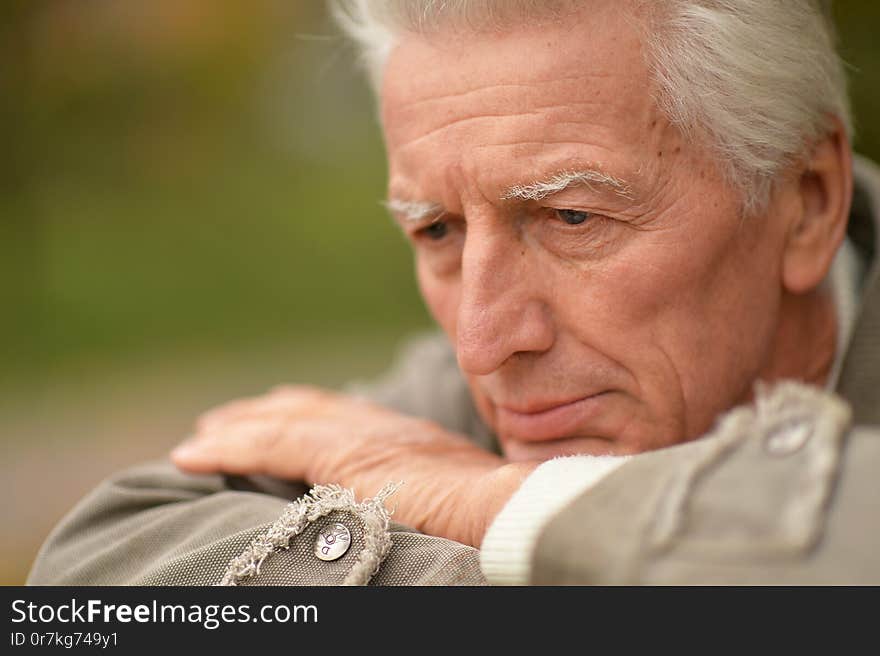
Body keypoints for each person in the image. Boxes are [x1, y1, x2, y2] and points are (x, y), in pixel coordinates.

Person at [28, 0, 880, 585]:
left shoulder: (452, 458)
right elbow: (91, 579)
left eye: (573, 217)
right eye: (437, 230)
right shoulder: (513, 401)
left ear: (805, 204)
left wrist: (488, 506)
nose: (481, 341)